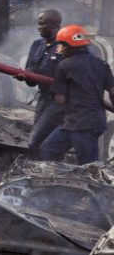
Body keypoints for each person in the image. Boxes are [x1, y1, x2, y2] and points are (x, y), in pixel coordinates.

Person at [39, 25, 114, 164]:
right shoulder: (102, 64)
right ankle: (60, 180)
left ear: (70, 46)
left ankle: (96, 186)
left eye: (61, 45)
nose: (60, 50)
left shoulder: (65, 65)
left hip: (81, 124)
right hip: (84, 122)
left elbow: (60, 99)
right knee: (49, 148)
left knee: (89, 167)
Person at [17, 9, 64, 158]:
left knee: (40, 141)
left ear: (55, 25)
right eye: (38, 23)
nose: (38, 27)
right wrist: (25, 76)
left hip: (60, 102)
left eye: (42, 24)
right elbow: (31, 79)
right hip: (43, 99)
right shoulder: (37, 45)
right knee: (38, 140)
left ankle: (47, 170)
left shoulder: (65, 47)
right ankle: (37, 169)